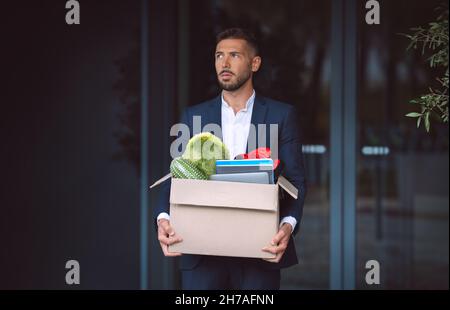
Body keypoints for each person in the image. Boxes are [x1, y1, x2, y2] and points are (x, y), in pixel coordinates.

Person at [155, 28, 306, 290]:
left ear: (254, 63)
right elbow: (174, 176)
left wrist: (287, 227)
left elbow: (295, 182)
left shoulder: (282, 116)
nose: (224, 63)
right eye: (218, 56)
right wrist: (163, 219)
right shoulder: (194, 116)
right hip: (201, 256)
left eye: (234, 55)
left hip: (260, 251)